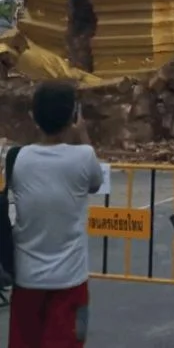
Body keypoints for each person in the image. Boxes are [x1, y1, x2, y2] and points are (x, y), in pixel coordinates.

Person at [8, 81, 104, 348]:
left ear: (32, 117)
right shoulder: (84, 157)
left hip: (26, 278)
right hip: (70, 281)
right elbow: (96, 183)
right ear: (74, 116)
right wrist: (82, 135)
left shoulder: (18, 158)